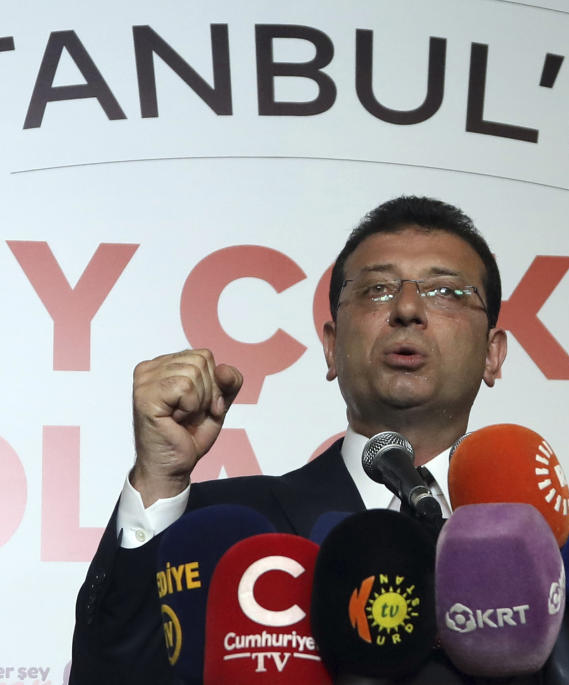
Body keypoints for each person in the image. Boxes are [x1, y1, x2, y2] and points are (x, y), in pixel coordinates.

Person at [69, 196, 508, 684]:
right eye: (377, 289)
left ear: (493, 355)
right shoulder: (217, 528)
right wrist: (158, 480)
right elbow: (109, 671)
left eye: (445, 291)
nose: (407, 308)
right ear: (330, 347)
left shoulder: (555, 548)